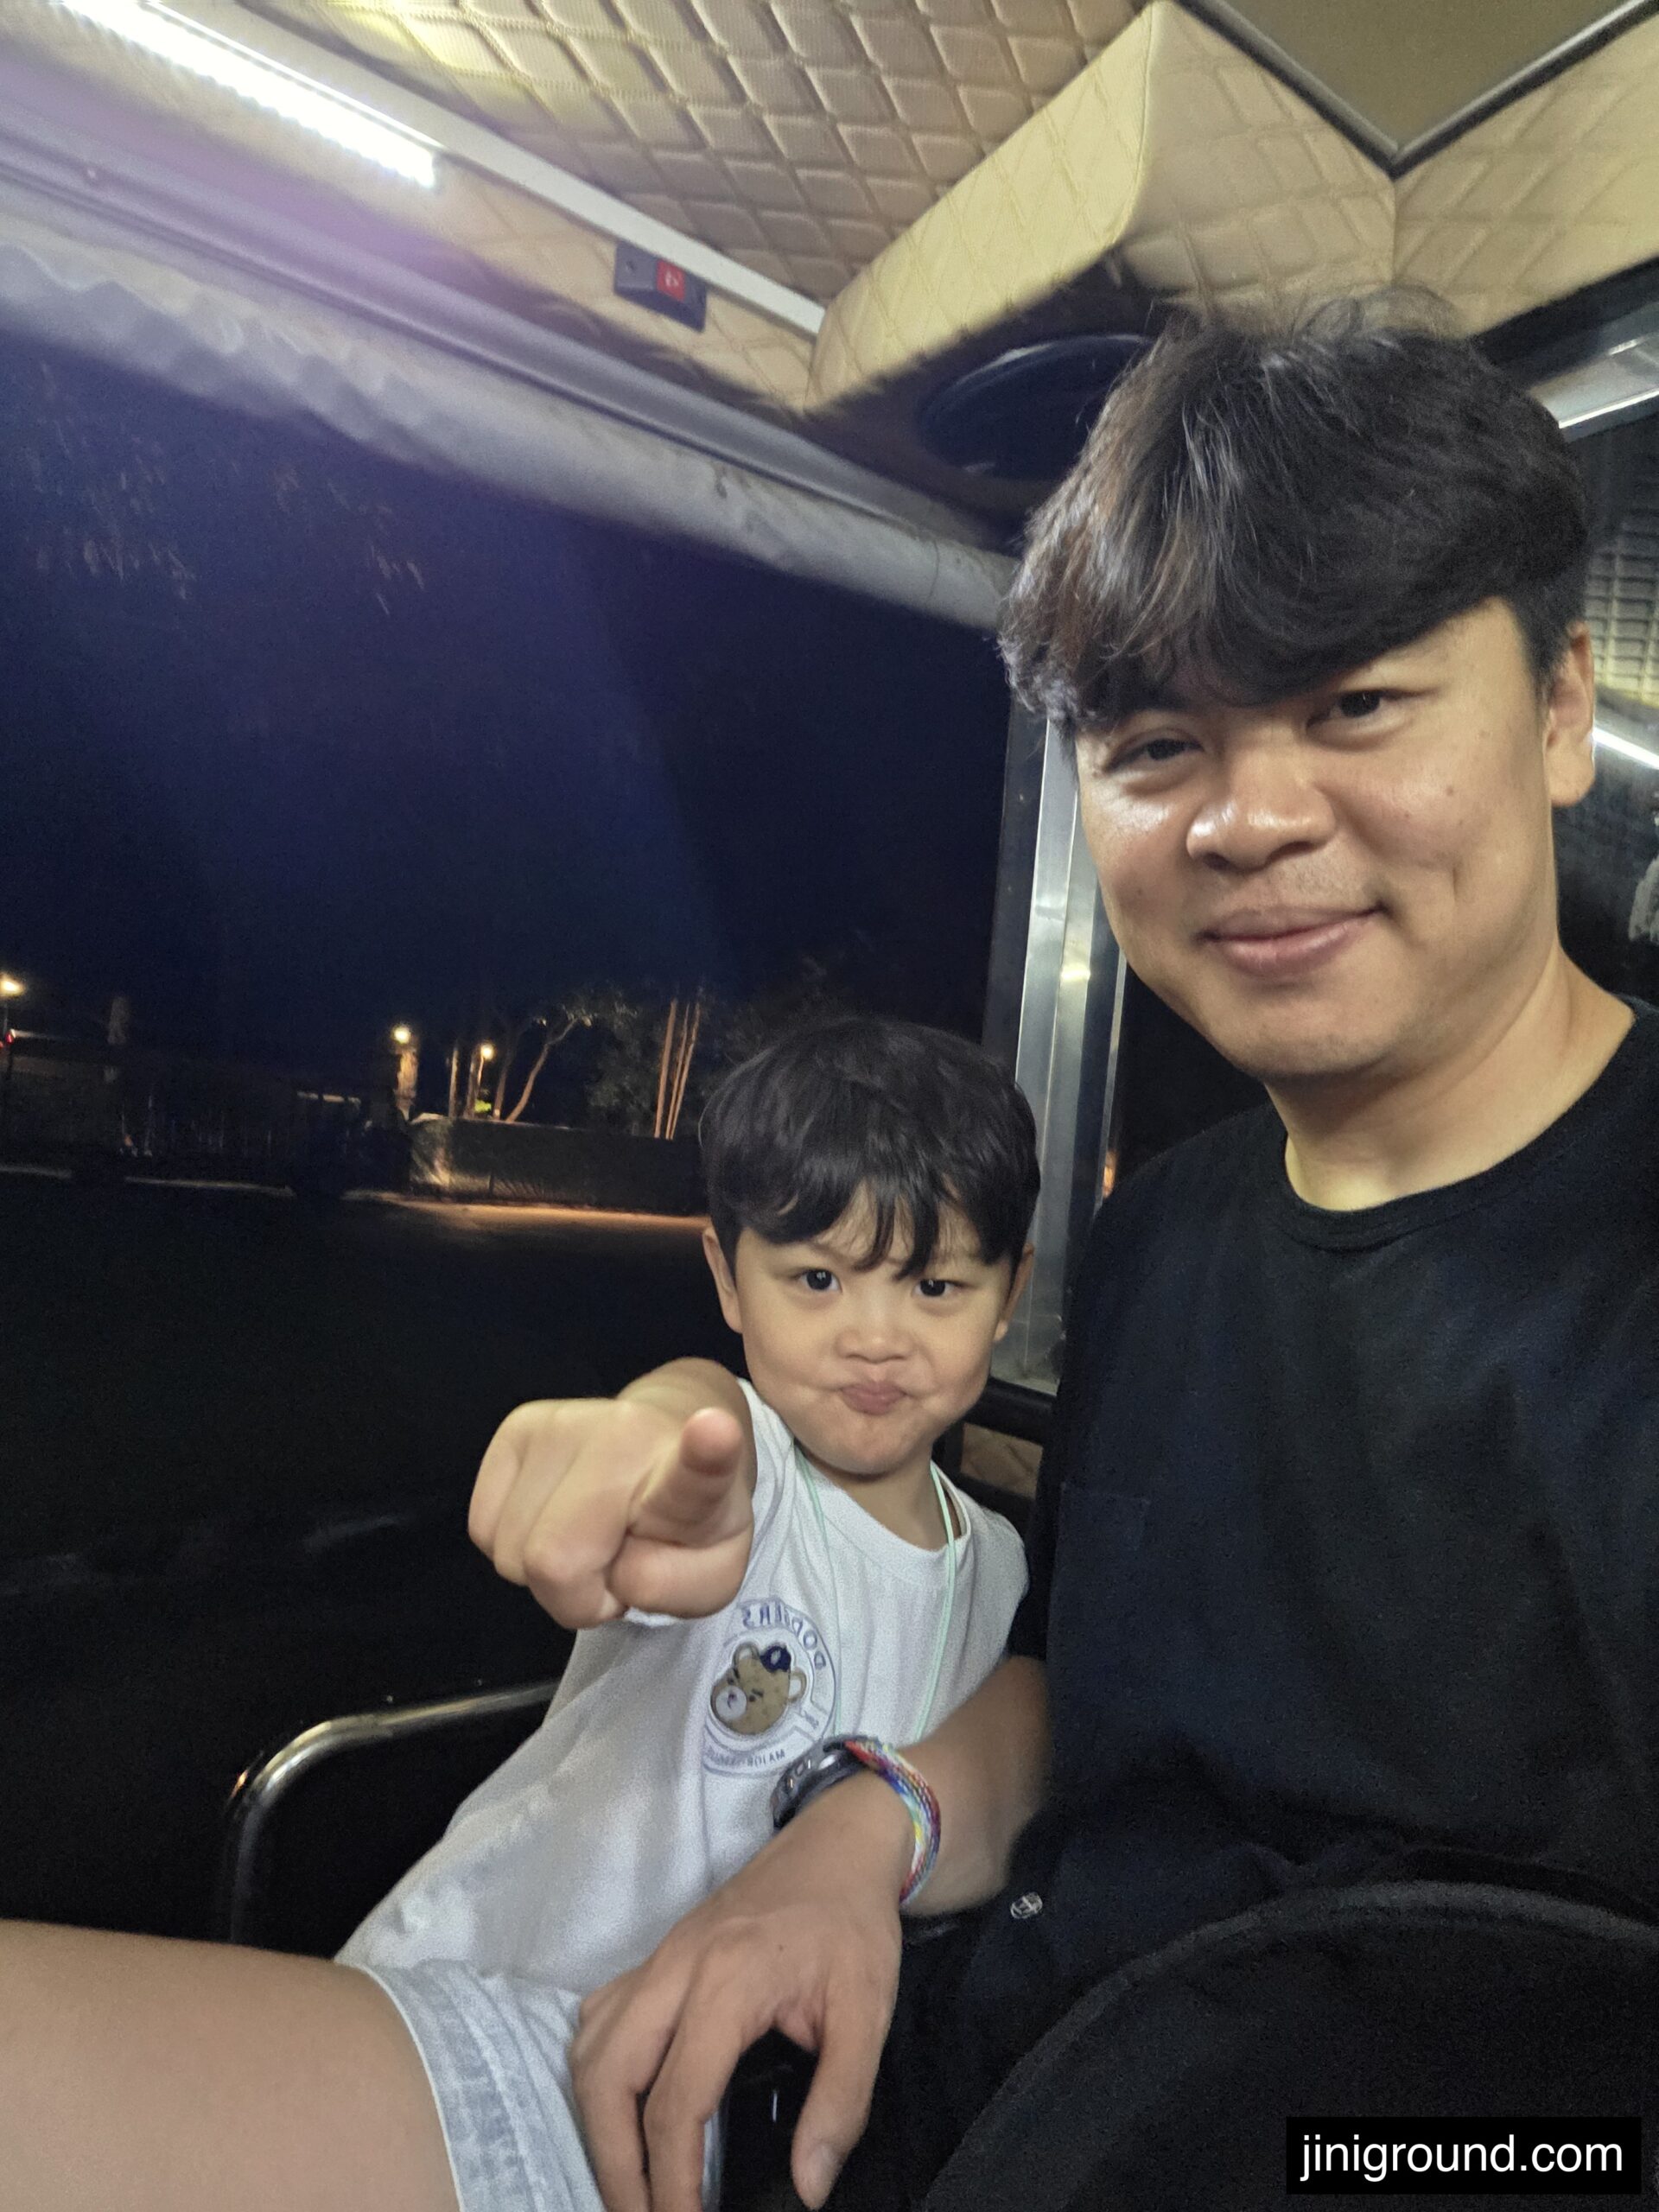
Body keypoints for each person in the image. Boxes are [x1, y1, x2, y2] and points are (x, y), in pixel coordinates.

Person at [493, 302, 1658, 2212]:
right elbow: (1118, 1692)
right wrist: (856, 1831)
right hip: (974, 2076)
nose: (1251, 814)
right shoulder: (1166, 1234)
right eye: (1155, 741)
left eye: (1356, 701)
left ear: (1554, 712)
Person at [0, 1016, 1036, 2212]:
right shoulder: (740, 1465)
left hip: (723, 2108)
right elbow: (688, 1421)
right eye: (816, 1277)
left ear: (1008, 1293)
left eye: (936, 1284)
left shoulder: (1002, 1570)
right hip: (491, 1997)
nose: (874, 1335)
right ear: (725, 1280)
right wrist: (641, 1439)